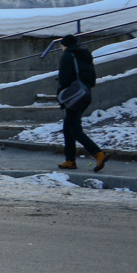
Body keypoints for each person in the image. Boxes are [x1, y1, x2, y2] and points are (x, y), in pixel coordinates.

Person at [57, 34, 108, 172]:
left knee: (75, 130)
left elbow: (64, 78)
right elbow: (92, 78)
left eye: (62, 45)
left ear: (65, 45)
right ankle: (70, 160)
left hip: (73, 96)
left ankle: (98, 153)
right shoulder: (85, 56)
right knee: (68, 128)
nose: (61, 48)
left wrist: (62, 95)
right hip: (84, 94)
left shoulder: (68, 56)